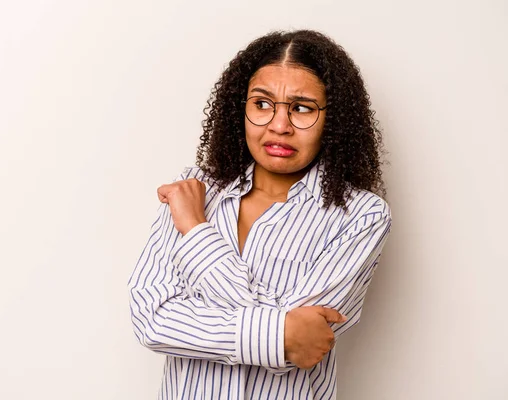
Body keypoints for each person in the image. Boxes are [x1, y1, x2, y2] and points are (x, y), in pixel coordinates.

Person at [128, 29, 392, 400]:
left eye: (301, 108)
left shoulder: (362, 216)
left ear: (333, 121)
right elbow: (151, 320)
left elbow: (302, 347)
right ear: (242, 108)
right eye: (262, 104)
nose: (279, 125)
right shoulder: (194, 188)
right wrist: (278, 330)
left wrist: (195, 230)